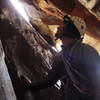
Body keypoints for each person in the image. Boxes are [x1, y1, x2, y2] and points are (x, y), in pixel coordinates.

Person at [20, 15, 100, 100]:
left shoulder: (86, 52)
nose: (58, 27)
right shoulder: (61, 57)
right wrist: (30, 86)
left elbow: (98, 80)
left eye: (62, 25)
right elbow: (50, 80)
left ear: (70, 29)